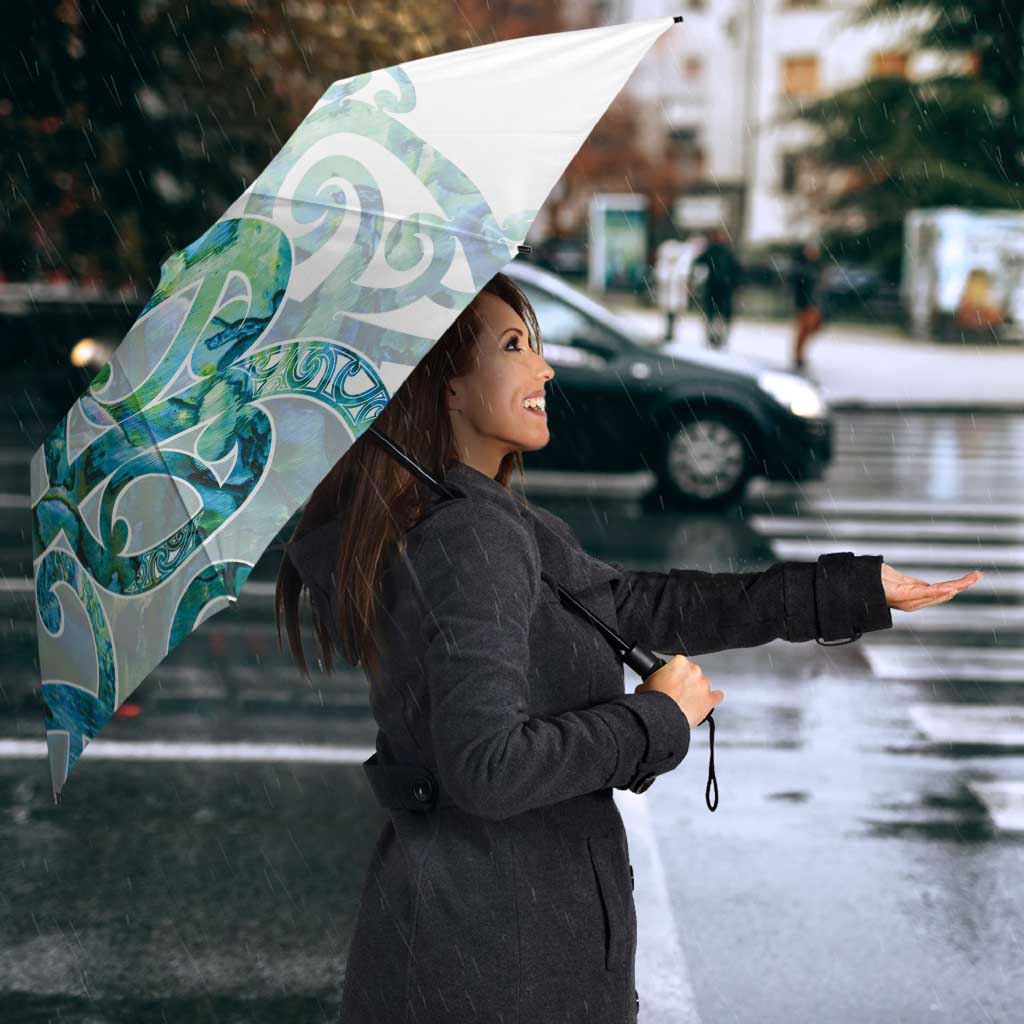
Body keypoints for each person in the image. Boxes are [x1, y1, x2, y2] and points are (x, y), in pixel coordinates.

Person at [277, 272, 980, 1024]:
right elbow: (487, 768)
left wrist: (849, 590)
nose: (544, 368)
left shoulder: (480, 520)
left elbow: (644, 606)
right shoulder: (469, 536)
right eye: (514, 346)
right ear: (446, 387)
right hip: (496, 962)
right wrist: (655, 719)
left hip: (481, 943)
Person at [692, 226, 742, 349]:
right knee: (713, 314)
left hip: (723, 288)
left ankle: (719, 337)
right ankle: (713, 337)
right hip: (715, 288)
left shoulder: (725, 252)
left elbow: (736, 270)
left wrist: (735, 284)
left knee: (720, 315)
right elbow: (698, 264)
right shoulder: (712, 251)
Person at [790, 239, 826, 371]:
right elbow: (799, 286)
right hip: (805, 303)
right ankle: (798, 355)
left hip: (814, 303)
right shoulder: (802, 267)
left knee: (812, 328)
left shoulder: (817, 266)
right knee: (804, 329)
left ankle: (800, 354)